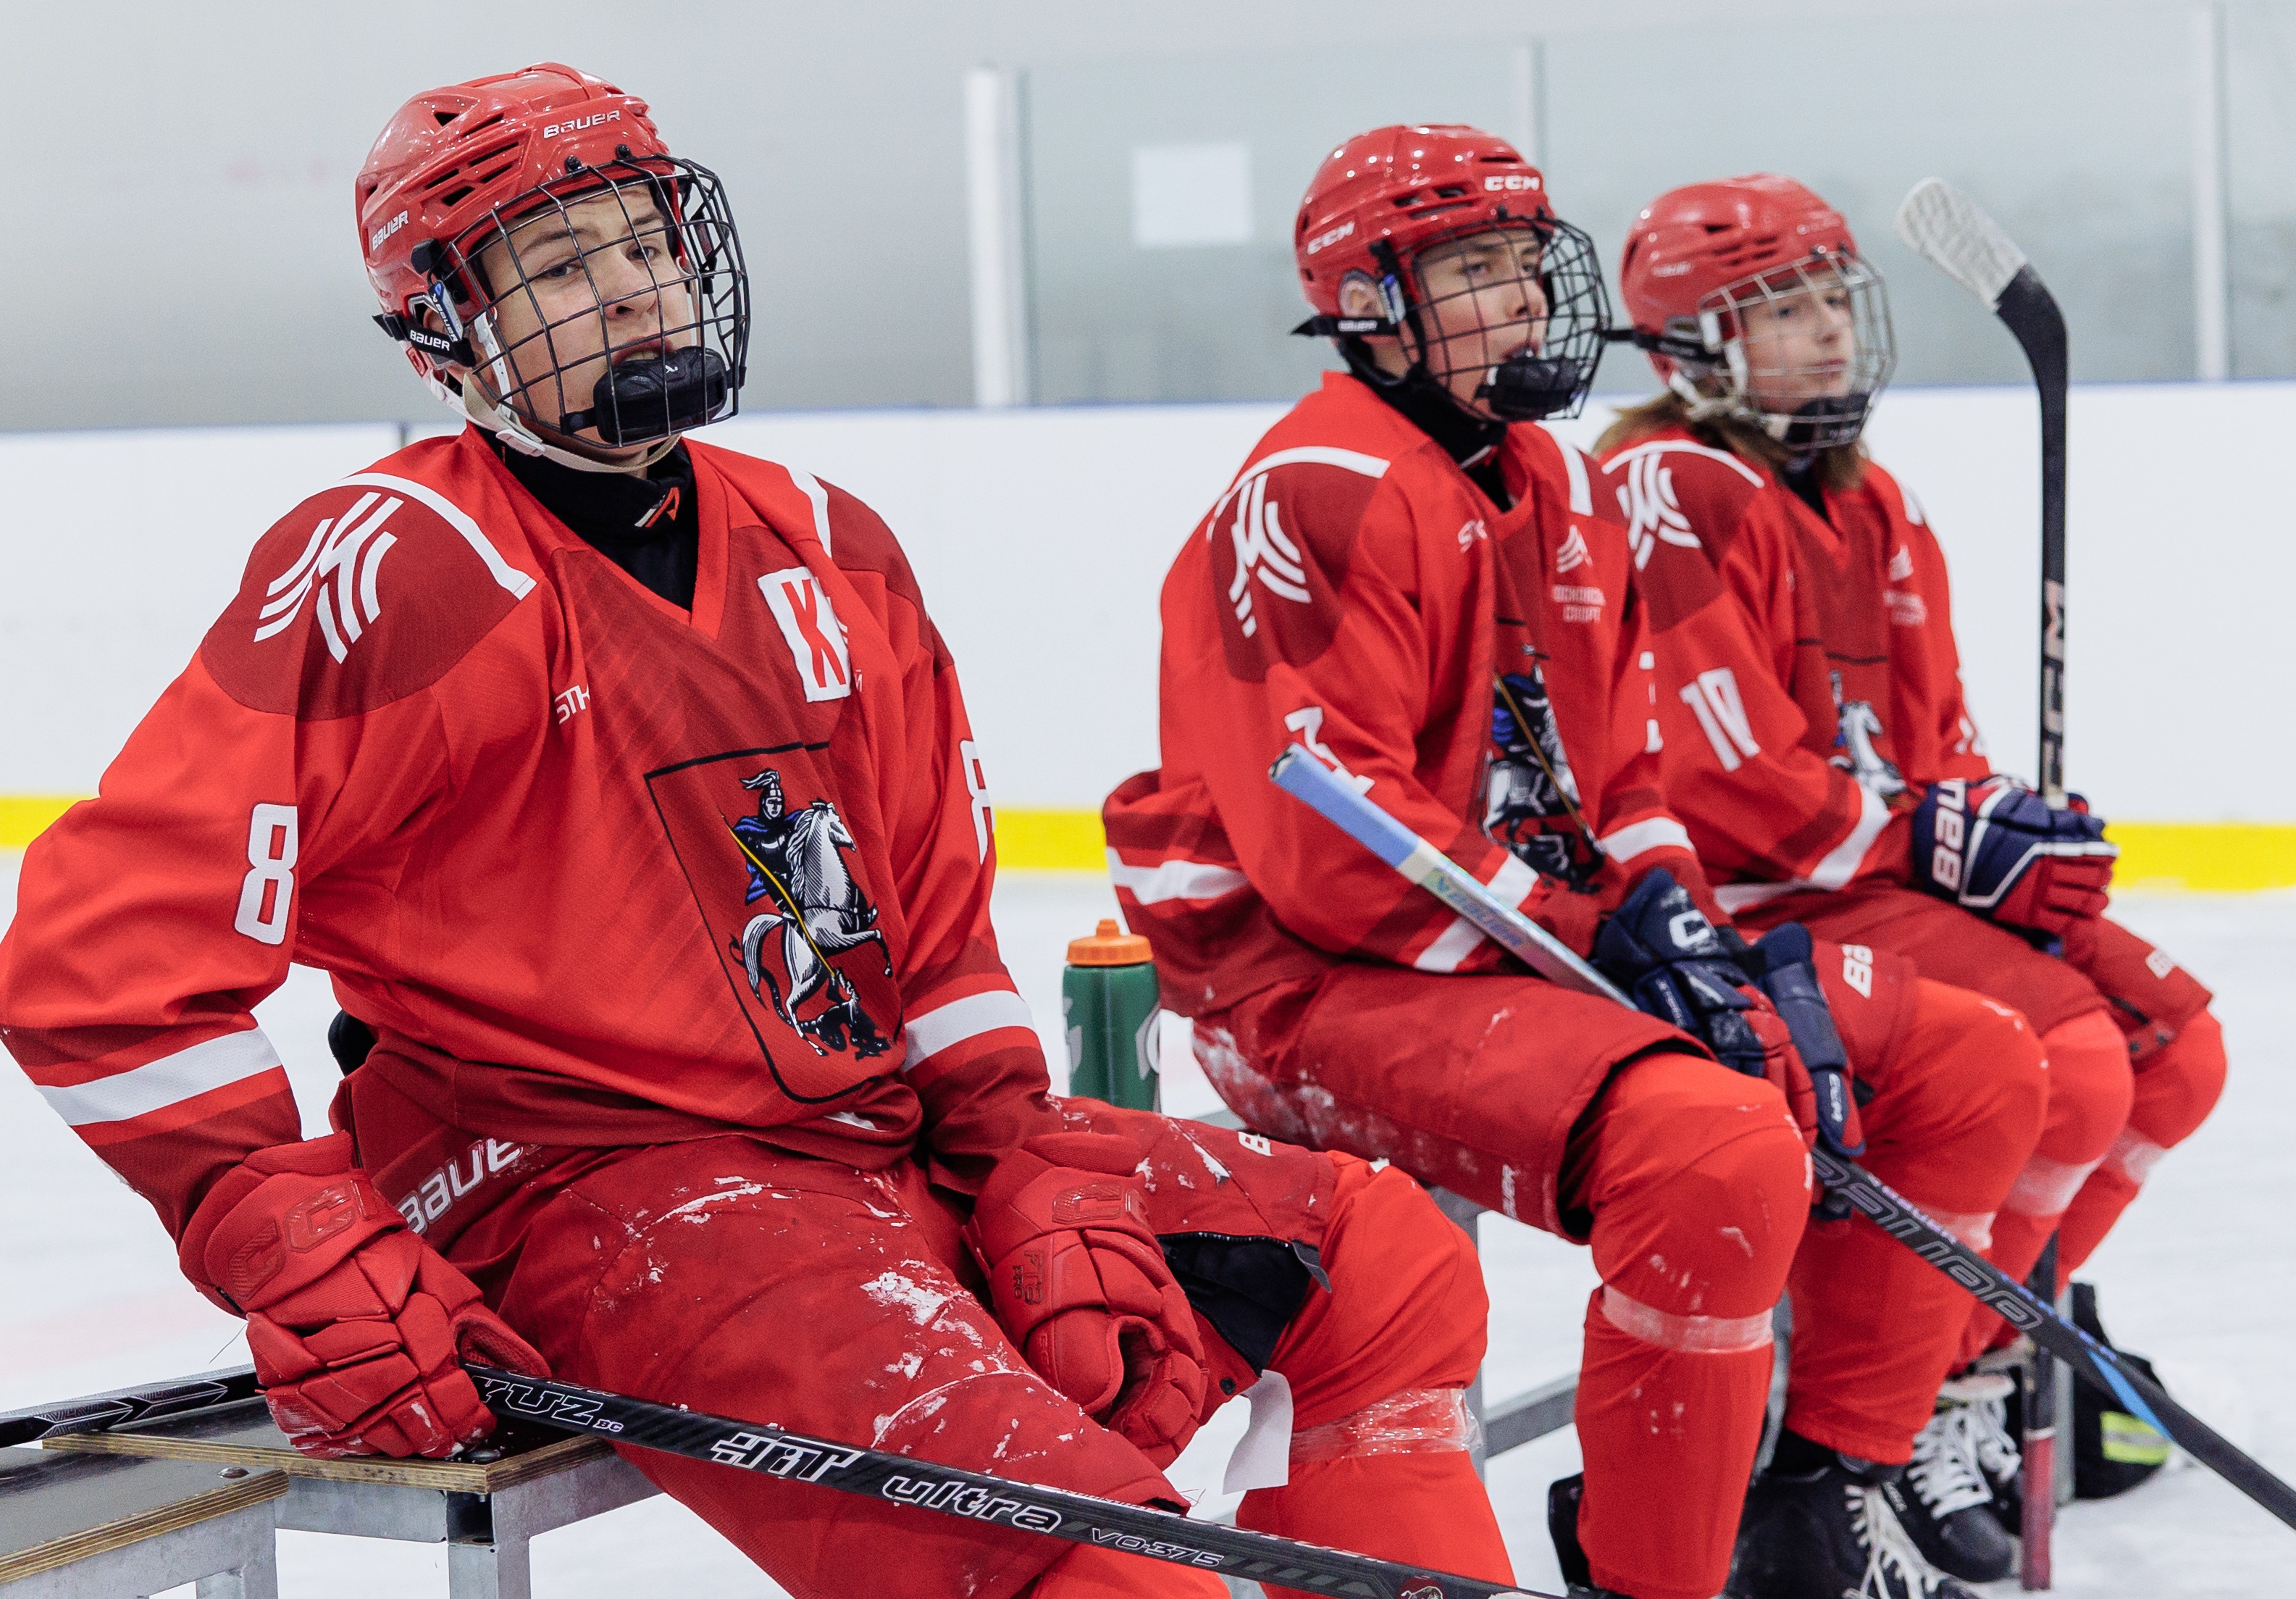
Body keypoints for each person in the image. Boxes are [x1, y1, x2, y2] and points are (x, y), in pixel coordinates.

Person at [0, 65, 1514, 1599]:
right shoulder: (404, 567)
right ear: (442, 331)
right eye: (566, 268)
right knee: (1096, 1559)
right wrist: (279, 1222)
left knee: (1381, 1262)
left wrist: (1018, 1153)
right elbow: (95, 959)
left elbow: (926, 931)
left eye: (647, 244)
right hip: (599, 1191)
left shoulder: (828, 538)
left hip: (866, 1153)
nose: (638, 293)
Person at [1105, 124, 2046, 1599]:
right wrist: (1594, 941)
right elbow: (1323, 844)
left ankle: (1816, 1500)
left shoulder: (1550, 475)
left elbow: (1623, 773)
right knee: (1716, 1148)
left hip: (1512, 947)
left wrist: (1667, 915)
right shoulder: (1319, 493)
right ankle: (1647, 1569)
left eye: (1523, 267)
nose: (1527, 303)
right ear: (1372, 305)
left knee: (1973, 1062)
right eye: (1472, 273)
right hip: (1303, 983)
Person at [1598, 172, 2229, 1585]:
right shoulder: (1667, 484)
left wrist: (2001, 824)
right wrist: (1934, 841)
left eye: (1833, 297)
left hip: (1865, 879)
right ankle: (1873, 1425)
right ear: (1686, 346)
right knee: (2062, 1062)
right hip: (1745, 903)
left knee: (2172, 1046)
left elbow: (1931, 741)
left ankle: (1969, 1363)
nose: (1826, 332)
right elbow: (1719, 778)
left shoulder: (1874, 495)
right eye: (1782, 310)